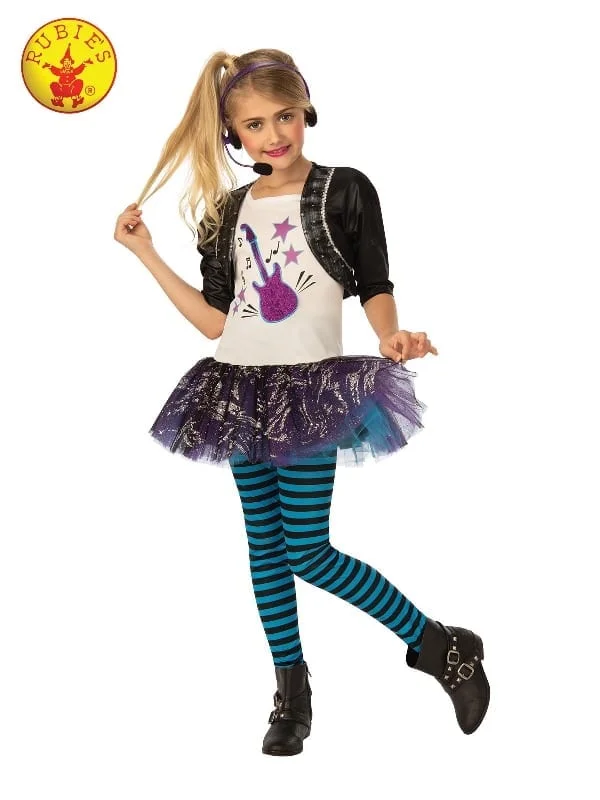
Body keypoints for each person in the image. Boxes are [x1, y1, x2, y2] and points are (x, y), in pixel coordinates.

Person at [114, 48, 490, 756]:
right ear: (233, 133)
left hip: (311, 392)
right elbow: (217, 322)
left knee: (308, 550)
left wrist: (390, 335)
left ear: (306, 110)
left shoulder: (343, 189)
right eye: (254, 125)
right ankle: (292, 690)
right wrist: (145, 253)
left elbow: (374, 281)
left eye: (284, 116)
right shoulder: (227, 211)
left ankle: (438, 645)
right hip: (238, 387)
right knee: (265, 545)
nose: (274, 135)